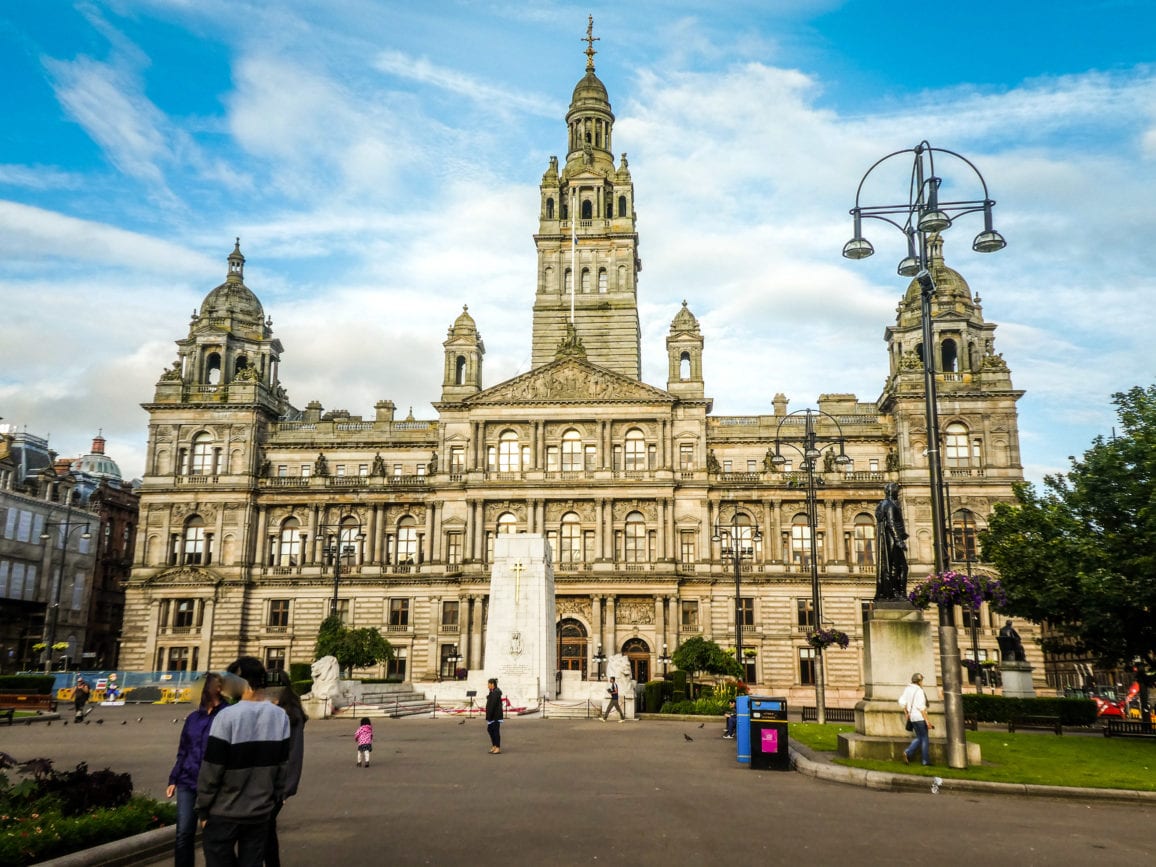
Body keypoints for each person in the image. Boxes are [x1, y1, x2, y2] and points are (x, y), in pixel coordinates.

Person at [196, 657, 290, 867]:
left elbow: (212, 769)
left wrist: (203, 809)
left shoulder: (226, 717)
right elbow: (282, 768)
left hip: (224, 812)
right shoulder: (280, 716)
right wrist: (273, 800)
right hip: (259, 813)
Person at [166, 673, 224, 867]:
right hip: (187, 781)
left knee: (213, 835)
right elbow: (183, 749)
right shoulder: (192, 718)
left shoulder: (227, 715)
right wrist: (174, 778)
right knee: (183, 833)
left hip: (214, 783)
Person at [265, 684, 306, 867]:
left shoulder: (289, 716)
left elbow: (292, 754)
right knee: (266, 830)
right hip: (269, 784)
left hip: (273, 785)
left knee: (262, 830)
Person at [875, 483, 909, 600]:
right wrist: (899, 540)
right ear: (890, 491)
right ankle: (897, 593)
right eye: (896, 490)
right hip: (893, 541)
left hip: (890, 540)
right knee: (900, 567)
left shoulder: (887, 504)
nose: (898, 491)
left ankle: (897, 592)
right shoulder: (889, 505)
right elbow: (891, 523)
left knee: (897, 567)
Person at [898, 672, 933, 766]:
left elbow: (901, 702)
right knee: (924, 738)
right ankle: (924, 760)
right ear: (919, 681)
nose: (923, 682)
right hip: (920, 717)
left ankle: (908, 752)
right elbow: (921, 708)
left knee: (920, 737)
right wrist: (927, 721)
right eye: (922, 680)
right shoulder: (919, 691)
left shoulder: (907, 689)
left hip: (912, 718)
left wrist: (906, 713)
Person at [485, 678, 503, 754]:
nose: (487, 686)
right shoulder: (492, 692)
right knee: (490, 730)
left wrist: (489, 716)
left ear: (492, 684)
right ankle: (494, 745)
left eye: (488, 684)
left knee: (495, 731)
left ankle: (498, 747)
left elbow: (493, 705)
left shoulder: (495, 693)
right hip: (492, 716)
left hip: (495, 716)